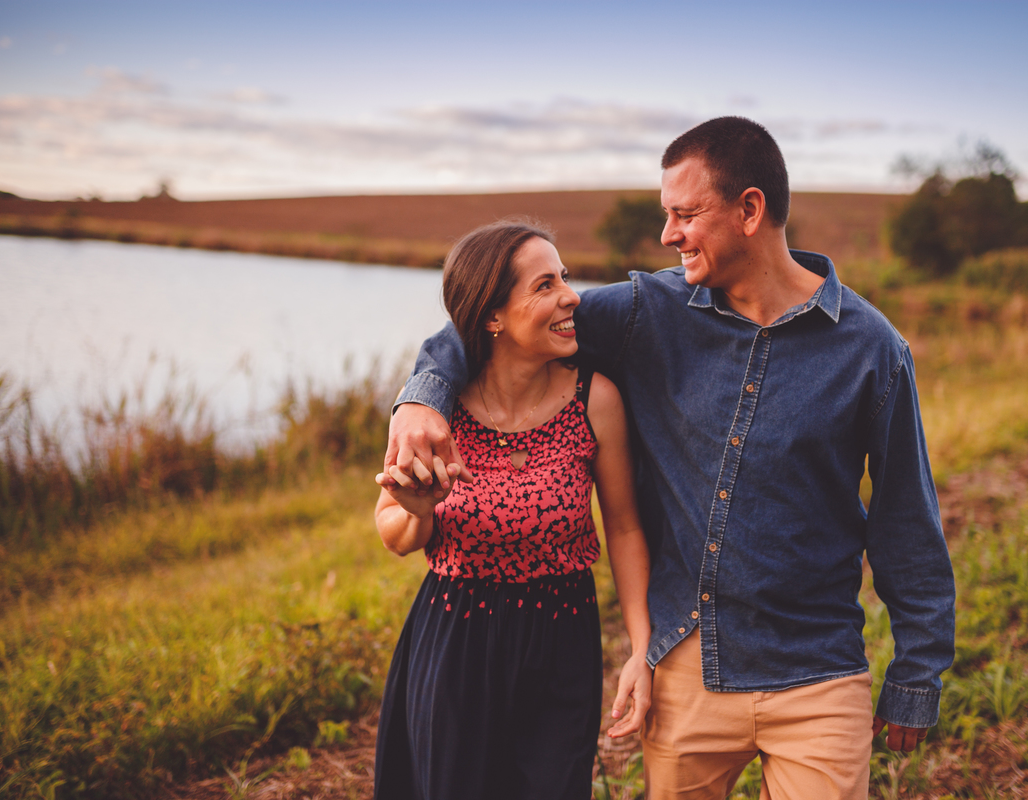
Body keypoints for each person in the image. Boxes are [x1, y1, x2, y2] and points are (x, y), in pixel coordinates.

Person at [384, 117, 956, 800]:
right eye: (666, 214)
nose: (667, 234)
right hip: (686, 664)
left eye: (684, 214)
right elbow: (492, 317)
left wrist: (916, 672)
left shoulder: (871, 351)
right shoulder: (647, 312)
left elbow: (904, 520)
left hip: (817, 673)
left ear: (749, 209)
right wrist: (425, 394)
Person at [371, 221, 652, 800]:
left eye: (565, 278)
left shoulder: (594, 398)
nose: (571, 297)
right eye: (545, 285)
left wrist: (641, 648)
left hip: (564, 642)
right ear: (492, 317)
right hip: (456, 642)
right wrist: (419, 510)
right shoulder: (434, 413)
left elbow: (624, 527)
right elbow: (395, 533)